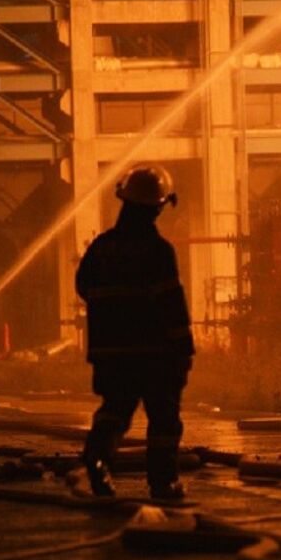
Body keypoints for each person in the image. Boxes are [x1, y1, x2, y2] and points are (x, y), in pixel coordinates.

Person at [76, 165, 194, 500]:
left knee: (114, 410)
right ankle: (163, 482)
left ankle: (97, 459)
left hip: (110, 354)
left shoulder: (100, 248)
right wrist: (183, 350)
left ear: (123, 200)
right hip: (154, 354)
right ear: (157, 207)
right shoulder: (158, 251)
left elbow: (84, 287)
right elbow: (172, 305)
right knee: (164, 419)